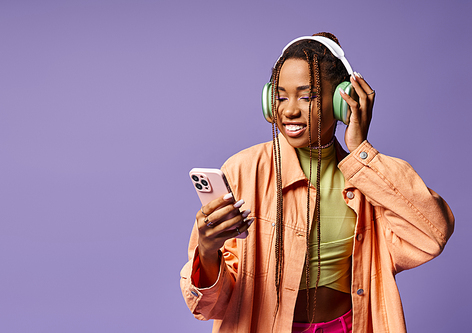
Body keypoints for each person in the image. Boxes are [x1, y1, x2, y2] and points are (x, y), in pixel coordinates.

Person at [180, 32, 454, 333]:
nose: (289, 110)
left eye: (307, 96)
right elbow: (207, 306)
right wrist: (207, 253)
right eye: (281, 97)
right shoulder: (242, 171)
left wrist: (361, 150)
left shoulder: (367, 179)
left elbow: (432, 234)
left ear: (341, 101)